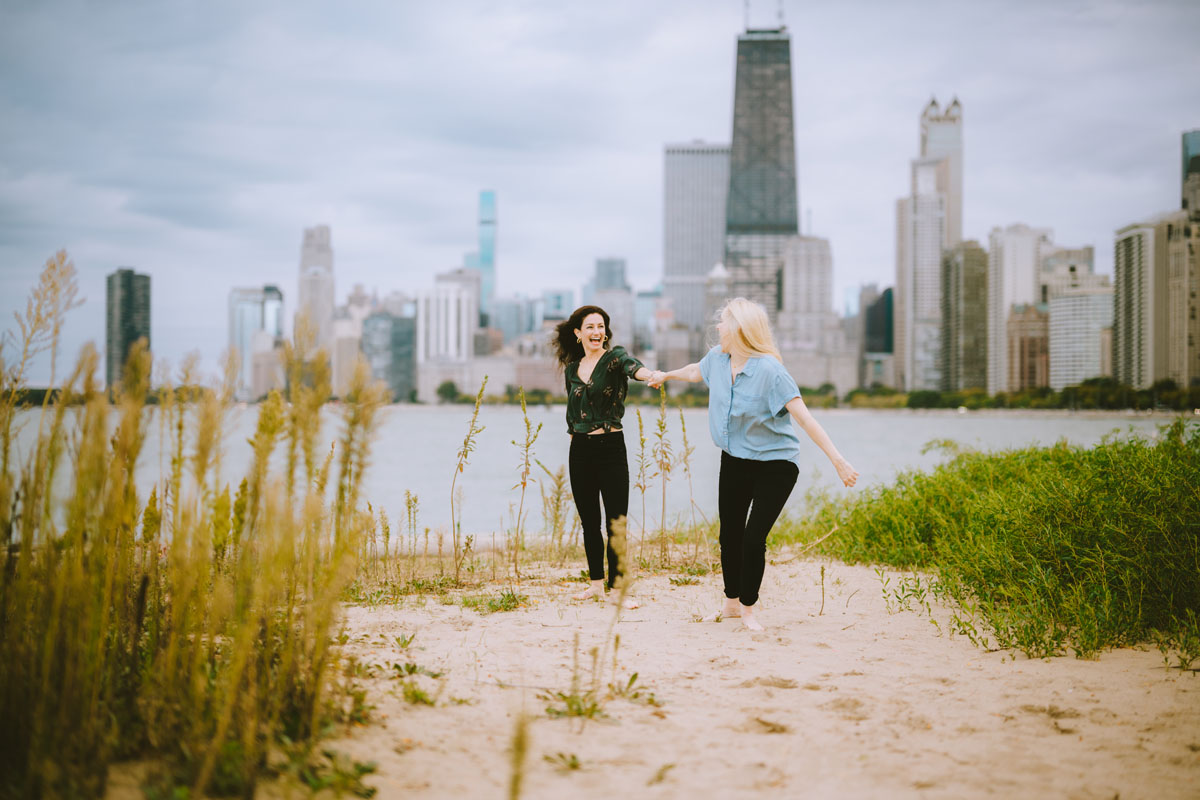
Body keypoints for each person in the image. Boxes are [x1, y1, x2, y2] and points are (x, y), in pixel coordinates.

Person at [650, 297, 858, 630]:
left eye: (723, 321)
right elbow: (693, 371)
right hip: (735, 459)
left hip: (776, 465)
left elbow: (804, 419)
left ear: (740, 328)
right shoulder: (718, 360)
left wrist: (839, 461)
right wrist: (665, 375)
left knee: (752, 537)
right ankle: (731, 605)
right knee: (729, 535)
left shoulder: (771, 371)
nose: (718, 326)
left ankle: (748, 609)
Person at [552, 305, 664, 605]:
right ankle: (596, 585)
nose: (596, 332)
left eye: (600, 326)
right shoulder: (572, 370)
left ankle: (617, 591)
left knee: (616, 521)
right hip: (580, 450)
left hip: (612, 448)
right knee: (590, 522)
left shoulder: (614, 358)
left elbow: (632, 366)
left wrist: (648, 374)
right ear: (578, 333)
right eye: (590, 327)